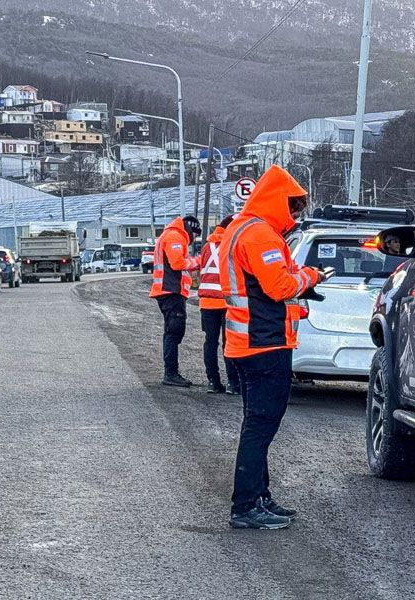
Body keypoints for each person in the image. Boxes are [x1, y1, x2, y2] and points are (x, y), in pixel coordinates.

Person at [218, 165, 324, 530]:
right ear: (279, 202)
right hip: (264, 345)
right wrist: (310, 276)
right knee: (261, 426)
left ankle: (259, 496)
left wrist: (299, 284)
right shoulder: (260, 235)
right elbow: (278, 286)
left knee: (256, 423)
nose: (295, 217)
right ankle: (246, 505)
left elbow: (264, 286)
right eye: (293, 208)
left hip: (246, 344)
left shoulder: (241, 228)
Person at [150, 215, 202, 387]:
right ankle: (171, 373)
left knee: (171, 332)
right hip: (172, 292)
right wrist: (198, 261)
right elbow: (177, 263)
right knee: (174, 332)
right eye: (195, 235)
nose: (193, 240)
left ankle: (170, 372)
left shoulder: (169, 235)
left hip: (167, 291)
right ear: (191, 230)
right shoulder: (175, 236)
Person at [198, 214, 240, 395]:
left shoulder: (207, 247)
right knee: (229, 343)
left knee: (210, 342)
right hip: (227, 300)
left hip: (207, 300)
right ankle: (233, 383)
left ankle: (213, 382)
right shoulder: (232, 245)